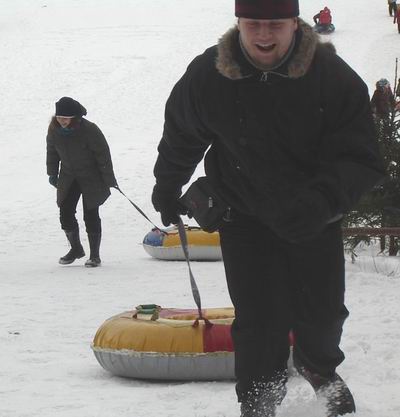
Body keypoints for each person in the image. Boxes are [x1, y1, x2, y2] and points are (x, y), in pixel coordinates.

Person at [151, 0, 385, 416]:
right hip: (244, 216)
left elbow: (360, 157)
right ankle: (259, 396)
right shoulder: (209, 75)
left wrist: (321, 203)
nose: (263, 35)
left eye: (275, 24)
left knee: (323, 313)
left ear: (294, 23)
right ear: (238, 22)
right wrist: (168, 184)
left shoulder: (330, 77)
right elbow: (183, 134)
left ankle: (319, 369)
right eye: (253, 23)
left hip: (313, 217)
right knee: (259, 318)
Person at [46, 97, 117, 267]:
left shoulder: (89, 129)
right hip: (69, 177)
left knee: (91, 214)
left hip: (91, 177)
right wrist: (52, 173)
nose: (61, 121)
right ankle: (76, 249)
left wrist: (108, 179)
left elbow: (103, 155)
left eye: (65, 118)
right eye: (59, 117)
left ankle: (94, 256)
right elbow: (52, 152)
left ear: (74, 117)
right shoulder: (54, 130)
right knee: (65, 212)